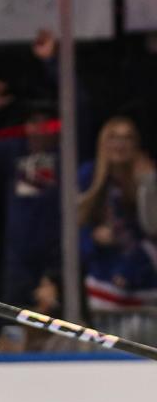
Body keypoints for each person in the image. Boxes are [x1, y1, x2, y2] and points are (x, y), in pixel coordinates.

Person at [0, 29, 77, 307]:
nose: (39, 129)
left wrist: (52, 63)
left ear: (58, 128)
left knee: (62, 322)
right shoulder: (15, 151)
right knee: (15, 324)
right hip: (19, 260)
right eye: (33, 122)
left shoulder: (66, 154)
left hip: (62, 257)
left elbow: (79, 106)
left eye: (47, 123)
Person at [78, 116, 157, 341]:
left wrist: (148, 184)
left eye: (127, 138)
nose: (120, 144)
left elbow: (152, 228)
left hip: (146, 286)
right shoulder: (89, 176)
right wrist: (94, 239)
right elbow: (75, 227)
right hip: (104, 287)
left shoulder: (148, 177)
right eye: (113, 137)